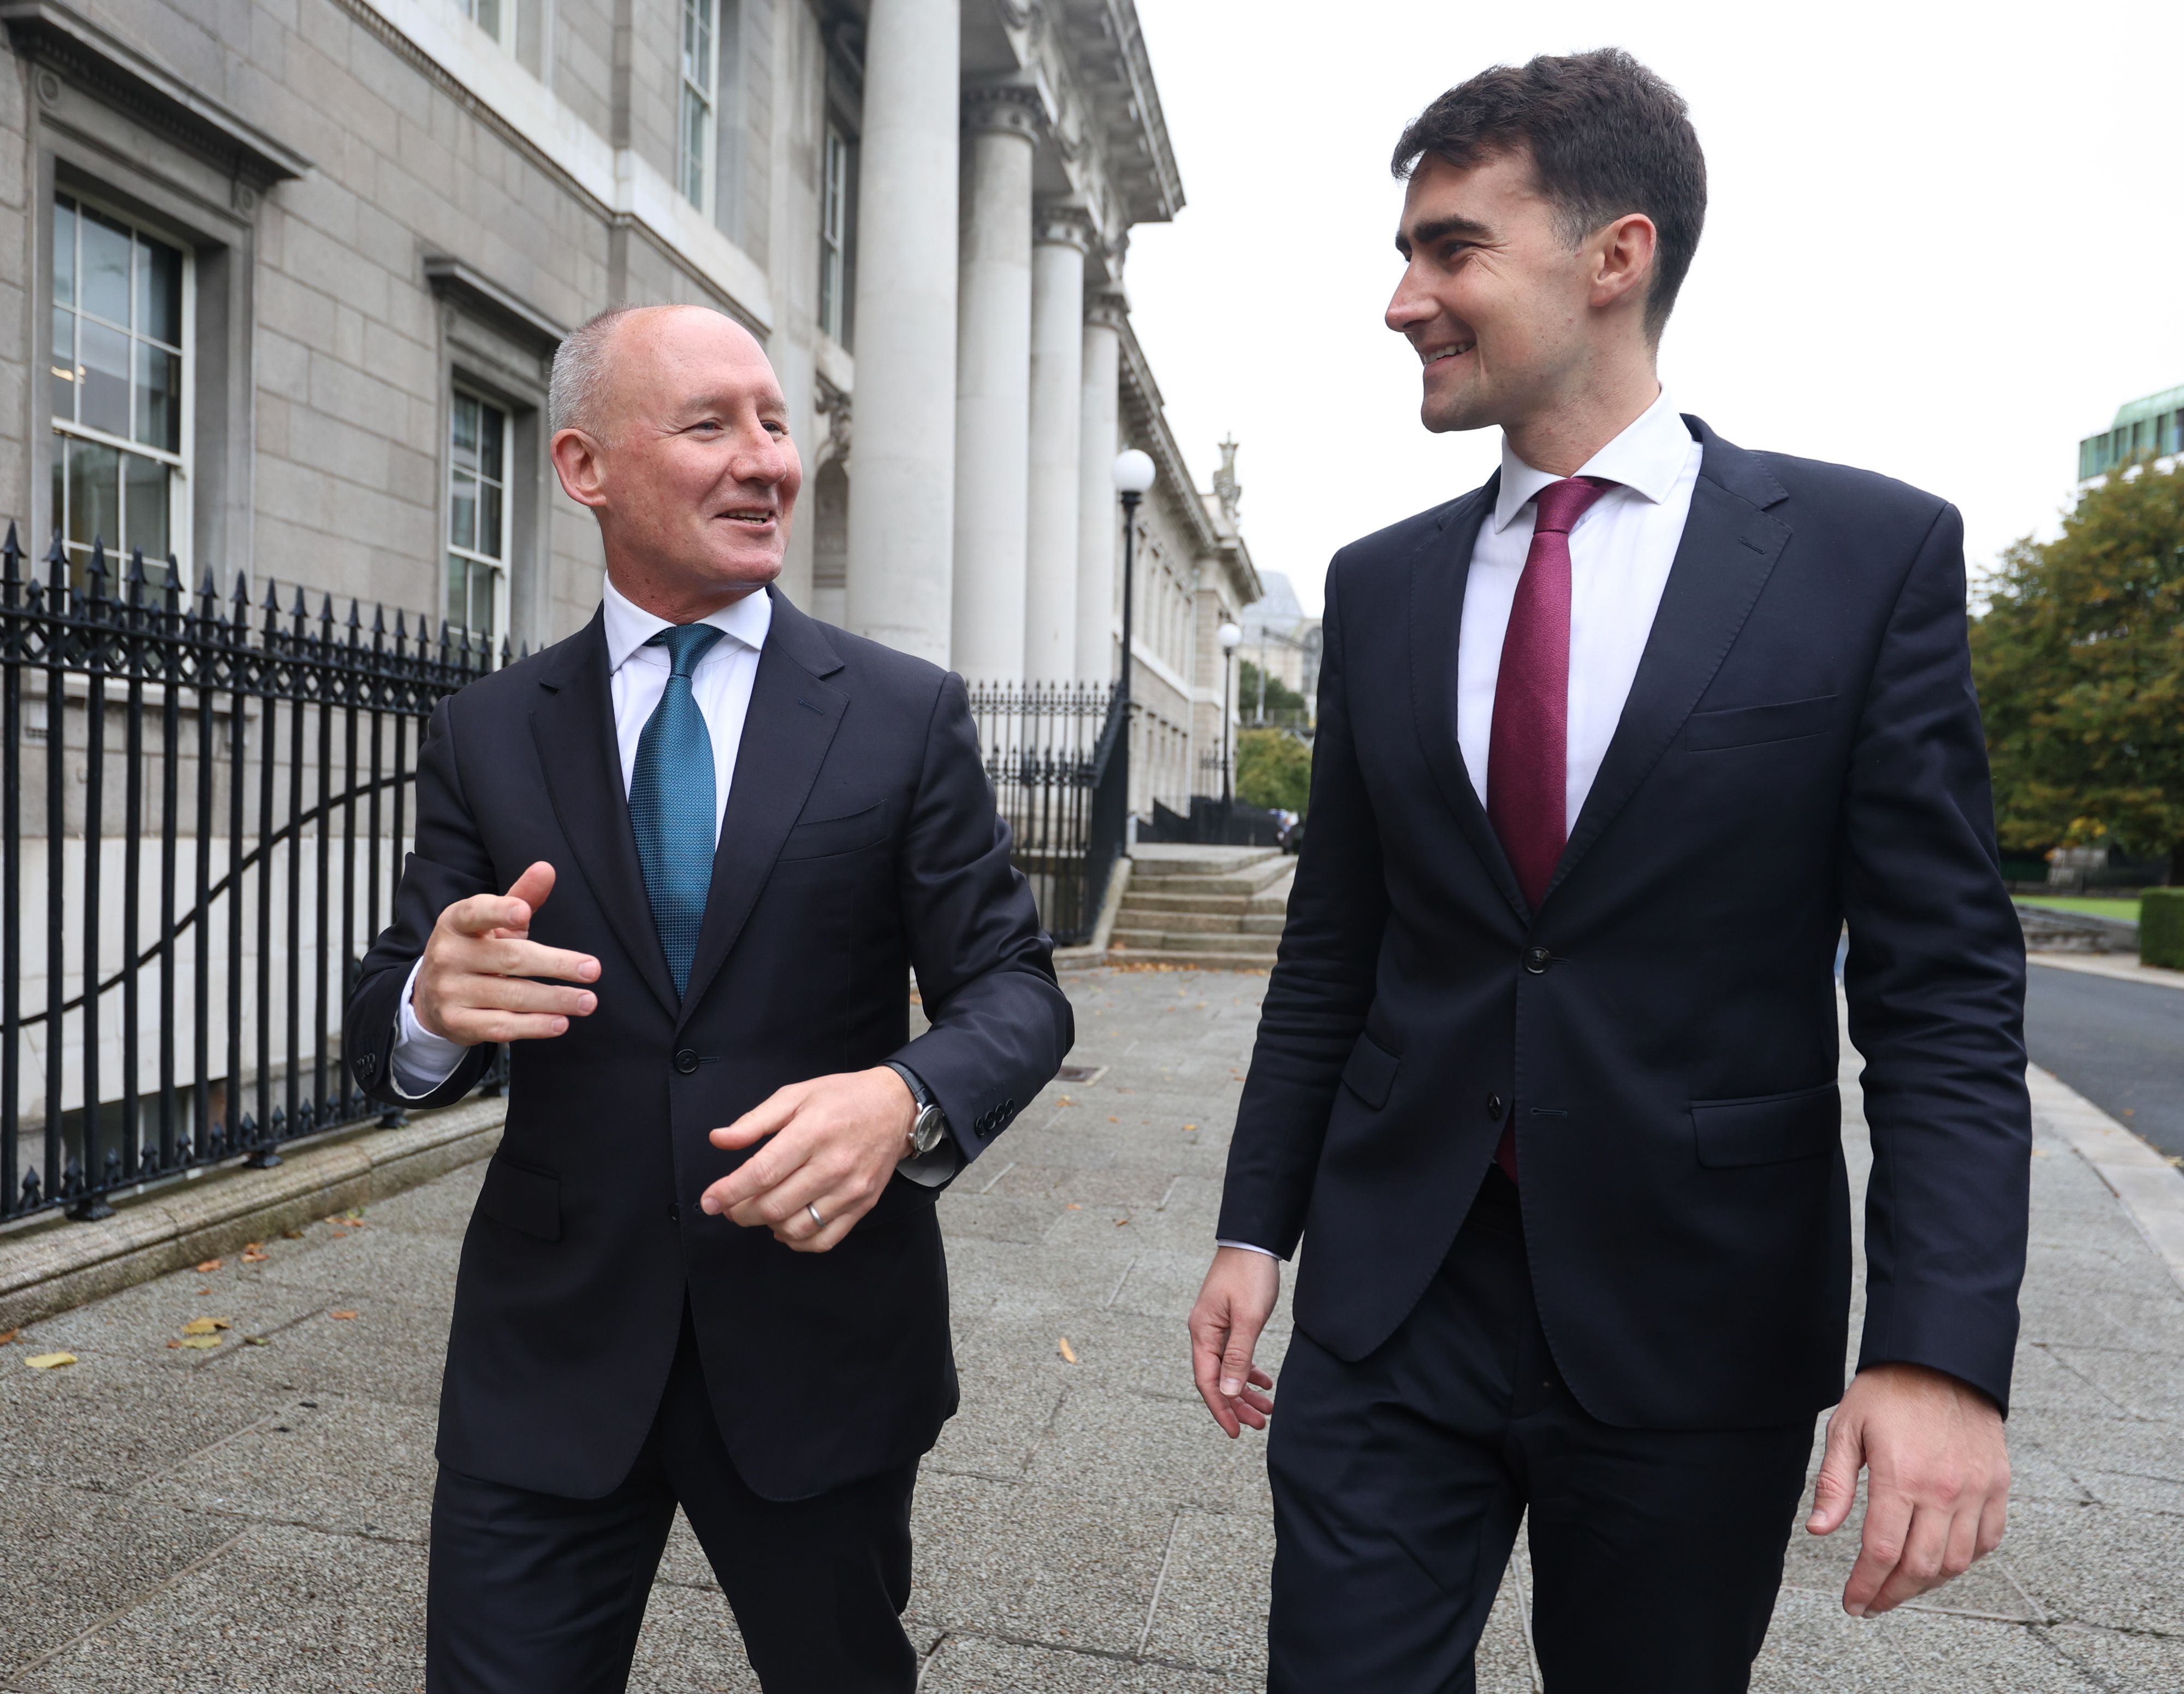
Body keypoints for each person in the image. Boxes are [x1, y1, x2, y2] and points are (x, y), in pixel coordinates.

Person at [1186, 49, 2028, 1693]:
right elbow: (1338, 949)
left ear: (1613, 257)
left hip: (1693, 1315)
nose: (1402, 299)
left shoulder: (1864, 560)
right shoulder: (1385, 587)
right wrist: (1252, 1226)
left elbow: (1942, 997)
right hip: (1394, 1294)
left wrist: (1938, 1352)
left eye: (1450, 249)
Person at [343, 303, 1073, 1693]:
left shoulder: (900, 712)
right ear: (583, 468)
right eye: (709, 426)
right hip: (548, 1354)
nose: (767, 462)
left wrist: (905, 1095)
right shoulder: (487, 731)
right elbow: (387, 1022)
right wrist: (434, 1004)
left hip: (819, 1346)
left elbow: (1016, 992)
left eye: (775, 422)